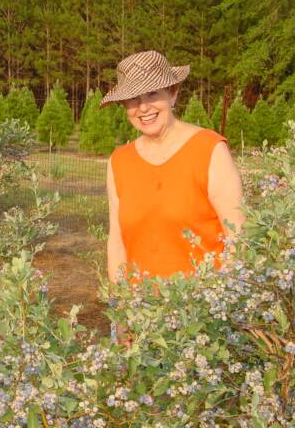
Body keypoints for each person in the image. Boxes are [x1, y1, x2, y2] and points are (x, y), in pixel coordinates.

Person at [103, 50, 245, 287]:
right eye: (133, 98)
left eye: (152, 94)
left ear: (172, 94)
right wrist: (120, 299)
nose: (143, 107)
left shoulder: (209, 150)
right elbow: (117, 241)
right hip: (140, 305)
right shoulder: (119, 161)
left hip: (201, 303)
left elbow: (238, 237)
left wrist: (219, 298)